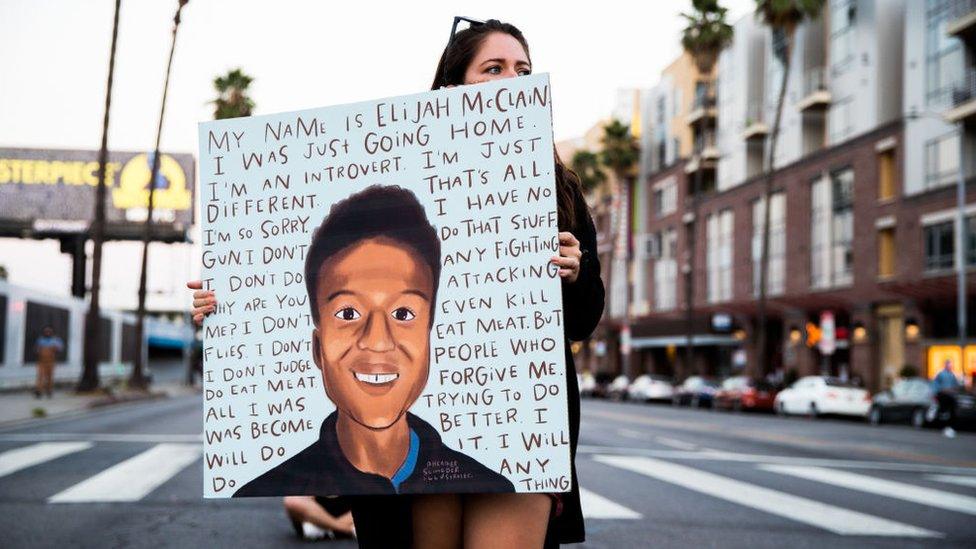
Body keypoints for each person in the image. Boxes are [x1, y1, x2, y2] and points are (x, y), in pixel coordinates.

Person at [189, 17, 604, 548]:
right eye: (493, 68)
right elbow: (311, 275)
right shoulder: (390, 165)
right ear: (453, 87)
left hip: (518, 424)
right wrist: (231, 302)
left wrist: (576, 272)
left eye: (523, 70)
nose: (512, 80)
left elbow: (585, 319)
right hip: (421, 426)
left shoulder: (556, 186)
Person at [234, 186, 513, 497]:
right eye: (349, 312)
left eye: (404, 313)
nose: (377, 341)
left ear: (431, 337)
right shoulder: (267, 487)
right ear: (317, 348)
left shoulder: (491, 486)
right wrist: (222, 312)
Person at [284, 495, 356, 540]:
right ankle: (346, 529)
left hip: (348, 513)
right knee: (293, 500)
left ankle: (324, 528)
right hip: (316, 512)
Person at [35, 326, 64, 398]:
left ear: (52, 332)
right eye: (46, 331)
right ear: (44, 332)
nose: (47, 333)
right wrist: (39, 351)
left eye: (49, 331)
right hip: (41, 361)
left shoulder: (56, 340)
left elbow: (60, 349)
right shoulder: (40, 340)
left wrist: (55, 348)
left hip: (51, 361)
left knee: (50, 377)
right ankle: (39, 391)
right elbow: (37, 349)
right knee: (40, 376)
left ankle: (49, 391)